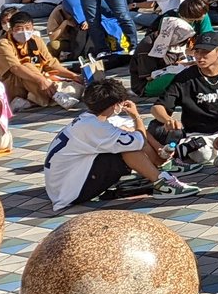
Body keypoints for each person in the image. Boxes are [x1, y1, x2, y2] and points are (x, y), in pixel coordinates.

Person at [42, 76, 195, 209]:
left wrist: (155, 146)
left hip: (61, 187)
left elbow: (131, 130)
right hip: (71, 193)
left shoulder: (87, 120)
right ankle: (163, 183)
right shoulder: (96, 127)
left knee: (127, 135)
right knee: (129, 148)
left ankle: (160, 165)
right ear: (115, 105)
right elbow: (139, 141)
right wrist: (136, 116)